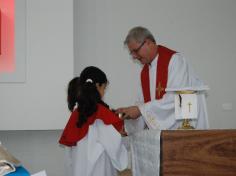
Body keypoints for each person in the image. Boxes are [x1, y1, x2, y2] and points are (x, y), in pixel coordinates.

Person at [116, 26, 209, 133]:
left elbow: (176, 99)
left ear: (148, 43)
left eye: (135, 51)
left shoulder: (174, 61)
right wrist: (129, 113)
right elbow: (142, 103)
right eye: (131, 53)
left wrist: (140, 110)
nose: (134, 57)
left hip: (182, 129)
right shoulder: (145, 72)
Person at [59, 66, 128, 176]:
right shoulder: (101, 113)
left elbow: (69, 153)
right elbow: (113, 146)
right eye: (104, 88)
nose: (104, 92)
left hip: (79, 168)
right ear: (97, 86)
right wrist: (121, 134)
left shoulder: (77, 112)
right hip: (99, 168)